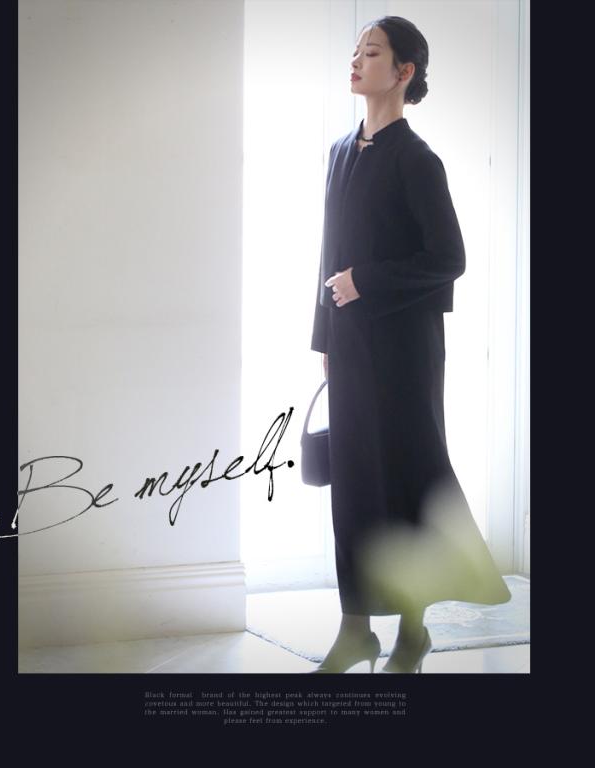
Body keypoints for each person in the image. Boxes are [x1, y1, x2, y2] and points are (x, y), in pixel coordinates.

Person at [310, 16, 511, 674]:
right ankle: (355, 630)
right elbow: (328, 254)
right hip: (349, 345)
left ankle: (412, 634)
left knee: (407, 478)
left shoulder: (418, 160)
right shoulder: (339, 152)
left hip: (404, 351)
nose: (356, 61)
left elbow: (448, 258)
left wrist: (364, 281)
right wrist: (322, 335)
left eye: (371, 53)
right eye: (355, 51)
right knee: (353, 488)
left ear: (404, 72)